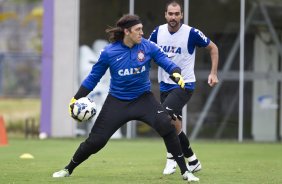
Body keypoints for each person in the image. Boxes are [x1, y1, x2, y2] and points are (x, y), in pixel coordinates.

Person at [52, 14, 199, 182]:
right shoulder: (109, 52)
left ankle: (185, 172)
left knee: (166, 124)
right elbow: (93, 77)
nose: (142, 33)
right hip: (117, 101)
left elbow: (166, 62)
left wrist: (175, 73)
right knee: (96, 141)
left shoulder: (148, 46)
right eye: (138, 30)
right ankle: (68, 169)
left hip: (144, 99)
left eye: (142, 29)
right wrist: (76, 98)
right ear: (127, 31)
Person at [148, 0, 219, 175]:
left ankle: (171, 159)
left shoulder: (191, 33)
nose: (173, 17)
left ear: (182, 15)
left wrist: (213, 73)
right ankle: (192, 159)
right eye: (170, 14)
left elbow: (213, 48)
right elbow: (146, 52)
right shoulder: (158, 32)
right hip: (164, 85)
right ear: (165, 14)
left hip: (184, 84)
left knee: (165, 118)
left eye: (176, 14)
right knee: (174, 123)